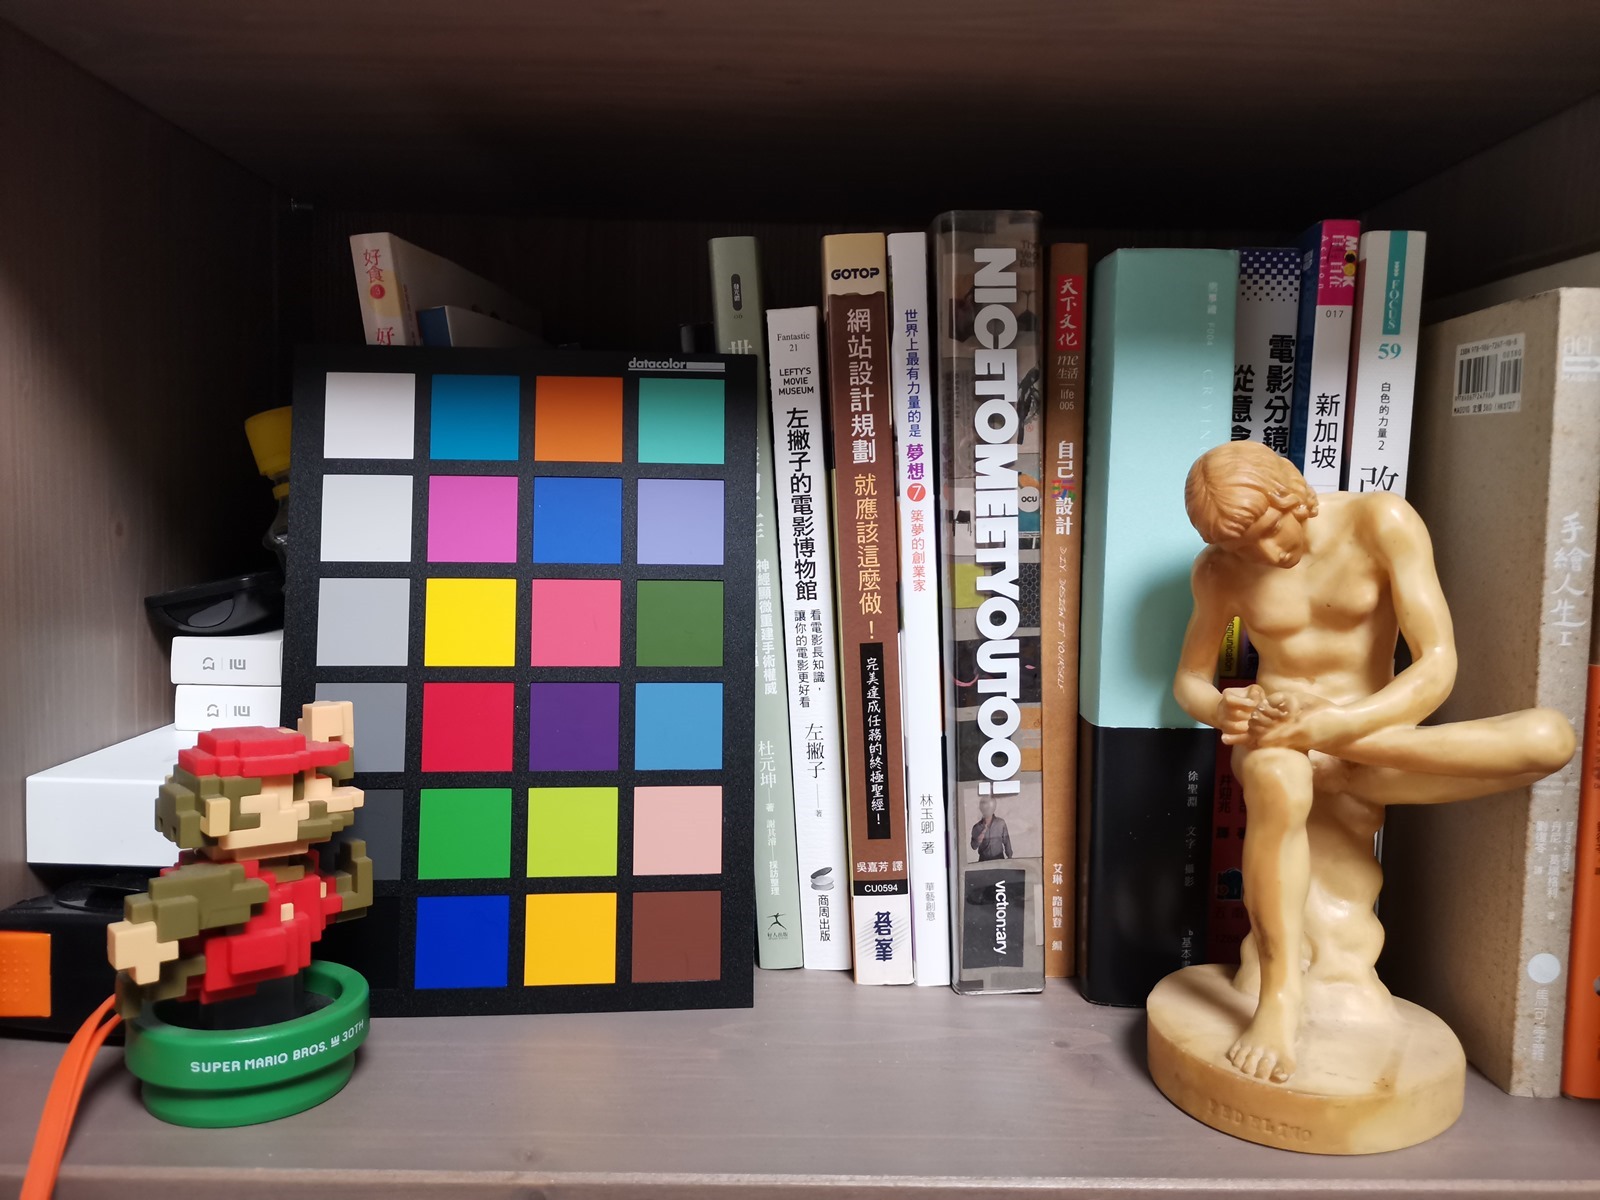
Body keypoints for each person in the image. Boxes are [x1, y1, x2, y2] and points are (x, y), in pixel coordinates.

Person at [1173, 441, 1573, 1084]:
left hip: (1368, 736)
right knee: (1277, 773)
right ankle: (1280, 998)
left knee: (1551, 739)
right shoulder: (1219, 571)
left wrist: (1336, 729)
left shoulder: (1379, 520)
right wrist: (1223, 708)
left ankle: (1340, 760)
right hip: (1279, 740)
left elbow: (1436, 664)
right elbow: (1190, 679)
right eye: (1242, 548)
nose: (1265, 555)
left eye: (1270, 532)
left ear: (1292, 494)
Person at [970, 795, 1012, 861]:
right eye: (984, 807)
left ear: (993, 808)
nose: (986, 810)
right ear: (981, 808)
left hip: (999, 860)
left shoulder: (1000, 823)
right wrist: (978, 840)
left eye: (988, 807)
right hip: (983, 861)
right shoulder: (977, 827)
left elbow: (1006, 841)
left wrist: (1010, 857)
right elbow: (973, 846)